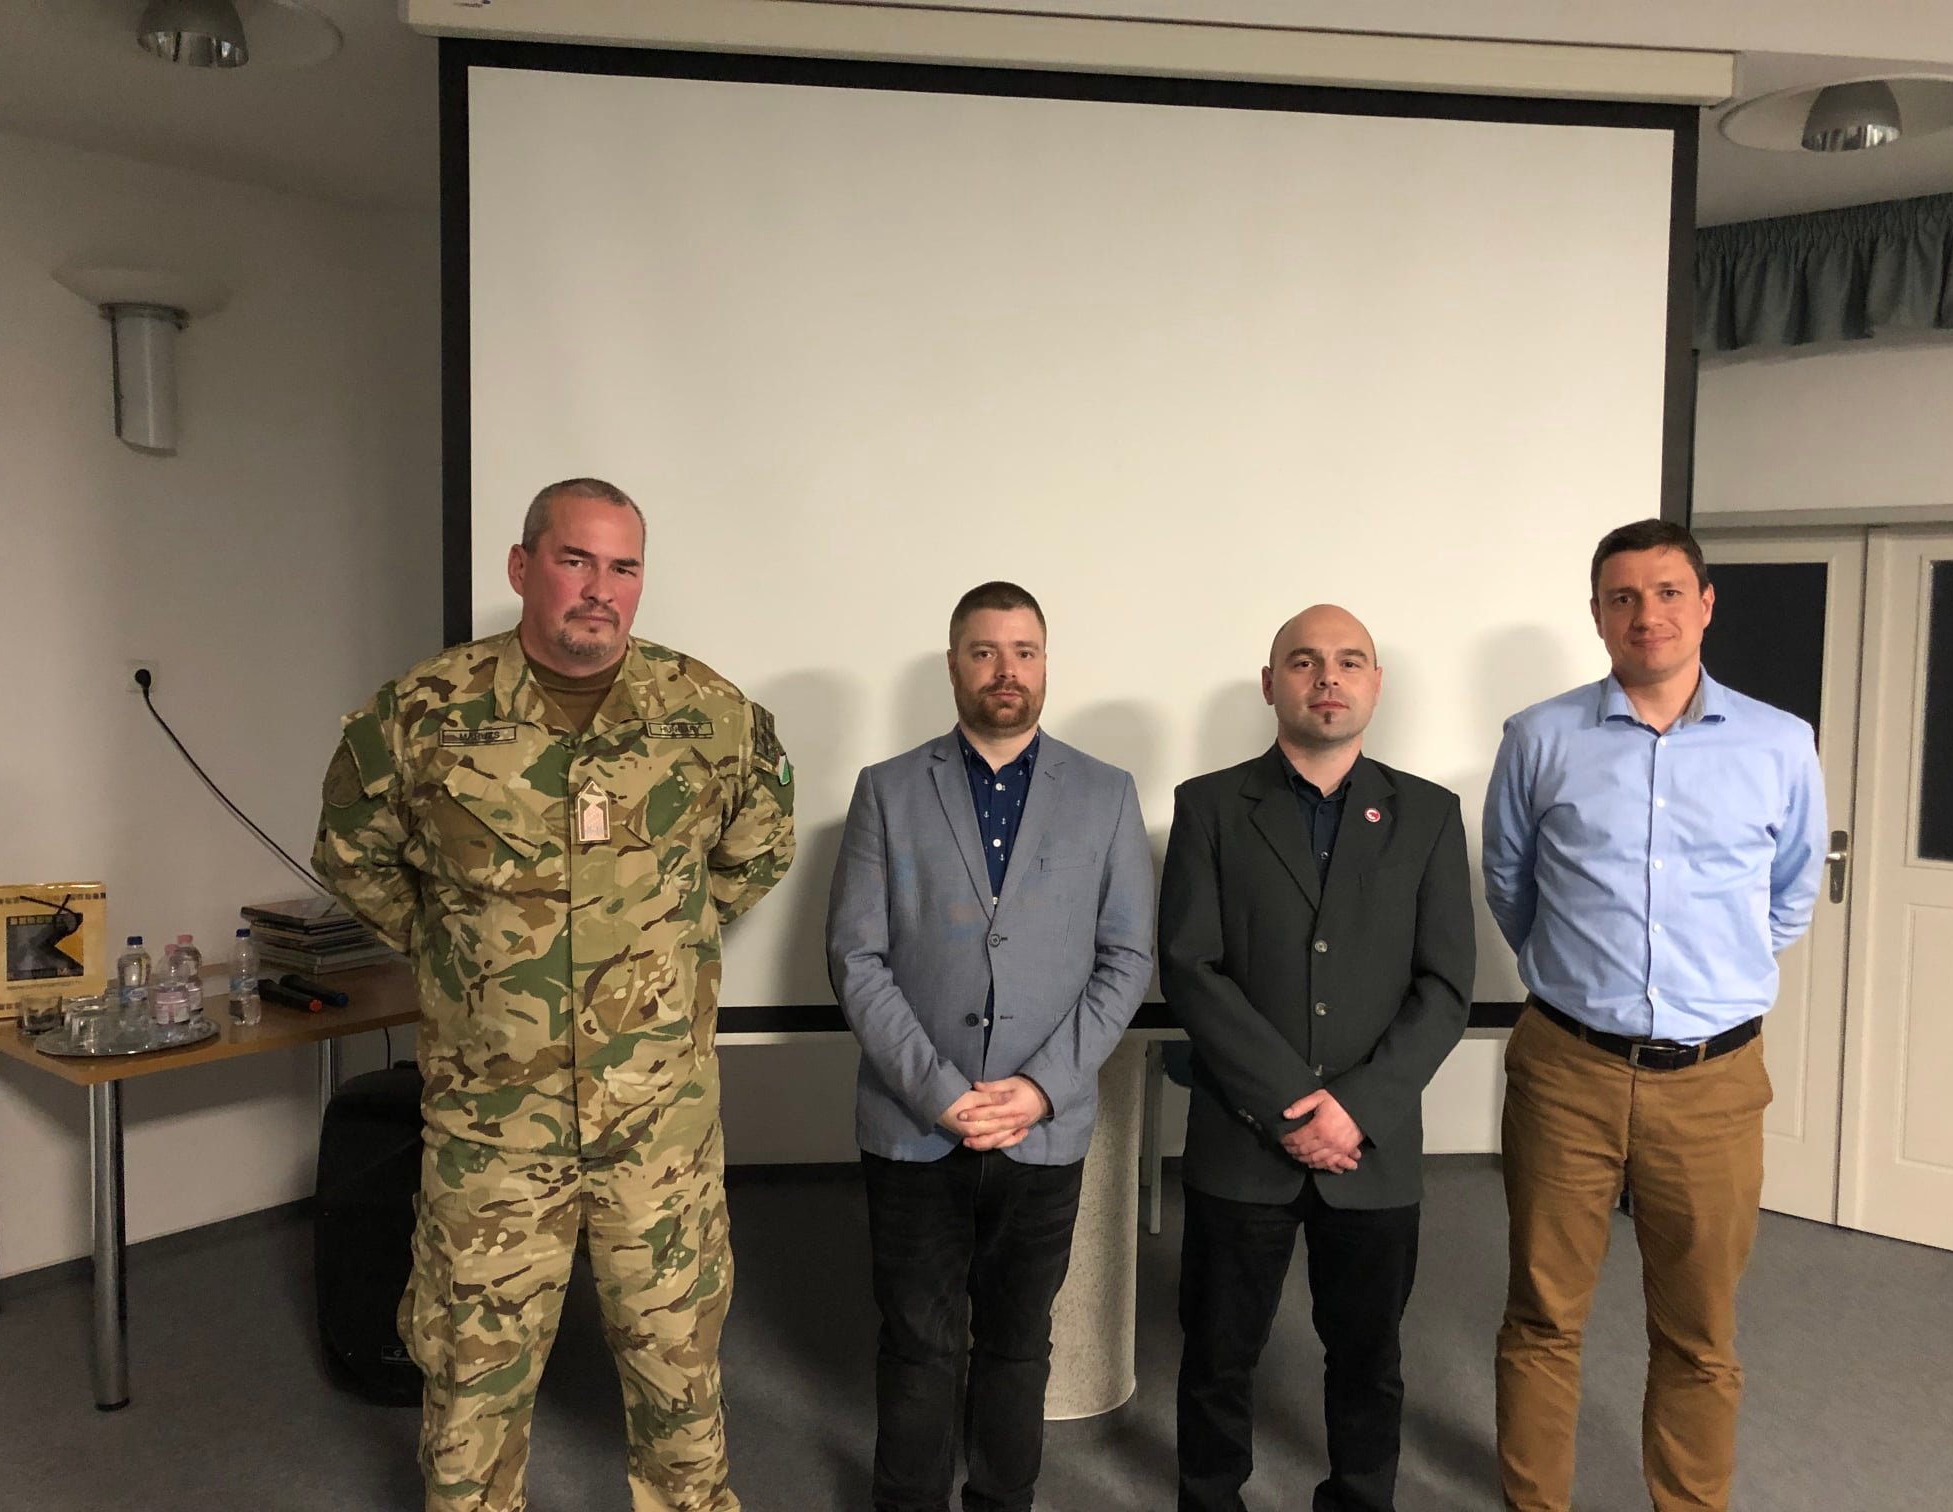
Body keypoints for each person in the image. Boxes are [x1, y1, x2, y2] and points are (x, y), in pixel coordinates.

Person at [314, 477, 796, 1512]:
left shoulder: (710, 714)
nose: (600, 589)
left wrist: (658, 946)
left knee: (680, 1389)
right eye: (576, 560)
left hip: (657, 1131)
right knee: (470, 1400)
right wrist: (463, 956)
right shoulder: (419, 716)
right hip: (494, 1130)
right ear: (522, 566)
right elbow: (353, 858)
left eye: (623, 567)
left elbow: (757, 851)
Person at [1484, 519, 1826, 1512]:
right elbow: (1510, 882)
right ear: (1597, 615)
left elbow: (1790, 895)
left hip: (1714, 1082)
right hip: (1567, 1070)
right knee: (1542, 1316)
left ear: (1706, 604)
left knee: (1700, 1331)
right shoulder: (1538, 738)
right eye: (1623, 597)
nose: (1647, 614)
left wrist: (1710, 982)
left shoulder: (1779, 742)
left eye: (1669, 592)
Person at [825, 580, 1154, 1512]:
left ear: (1045, 664)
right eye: (984, 651)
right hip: (914, 1122)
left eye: (1024, 651)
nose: (1005, 670)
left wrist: (1041, 1088)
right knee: (917, 1343)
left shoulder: (1106, 794)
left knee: (1018, 1343)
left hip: (1043, 1128)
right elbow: (855, 956)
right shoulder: (888, 789)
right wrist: (939, 1091)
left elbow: (1127, 957)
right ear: (953, 665)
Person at [1159, 603, 1475, 1512]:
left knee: (1368, 1358)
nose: (1327, 677)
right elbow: (1190, 967)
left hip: (1374, 1149)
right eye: (1303, 661)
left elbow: (1445, 985)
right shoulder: (1209, 806)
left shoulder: (1428, 814)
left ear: (1376, 685)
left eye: (1349, 661)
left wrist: (1358, 1108)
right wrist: (1292, 1104)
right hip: (1241, 1141)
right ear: (1272, 684)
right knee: (1218, 1355)